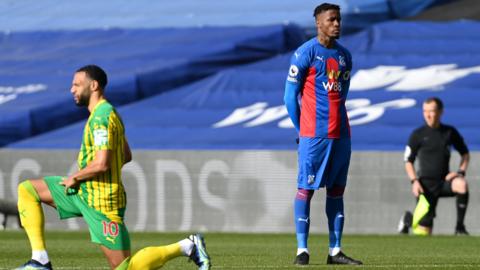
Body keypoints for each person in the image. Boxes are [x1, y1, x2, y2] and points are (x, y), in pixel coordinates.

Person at [16, 65, 211, 270]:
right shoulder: (107, 114)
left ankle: (187, 246)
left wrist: (77, 176)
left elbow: (102, 163)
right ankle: (40, 260)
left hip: (102, 202)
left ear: (93, 85)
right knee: (28, 190)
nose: (71, 89)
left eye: (76, 84)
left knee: (124, 268)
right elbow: (125, 155)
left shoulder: (102, 117)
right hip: (84, 192)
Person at [284, 3, 362, 266]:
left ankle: (335, 250)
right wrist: (302, 130)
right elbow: (289, 97)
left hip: (342, 135)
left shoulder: (345, 56)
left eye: (339, 19)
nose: (337, 23)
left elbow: (342, 95)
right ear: (319, 22)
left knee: (337, 192)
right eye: (331, 19)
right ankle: (302, 250)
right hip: (314, 137)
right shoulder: (305, 53)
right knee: (306, 189)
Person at [398, 97, 470, 236]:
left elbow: (465, 154)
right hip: (425, 185)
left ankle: (460, 228)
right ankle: (408, 219)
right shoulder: (418, 134)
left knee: (461, 184)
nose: (428, 115)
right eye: (425, 111)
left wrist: (460, 172)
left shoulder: (449, 132)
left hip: (444, 181)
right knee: (424, 231)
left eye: (432, 111)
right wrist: (414, 181)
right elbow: (408, 161)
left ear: (441, 112)